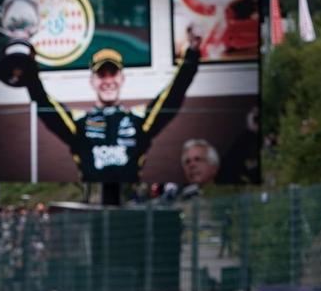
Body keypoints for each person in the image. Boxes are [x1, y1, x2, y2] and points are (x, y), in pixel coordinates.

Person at [24, 34, 201, 182]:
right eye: (101, 74)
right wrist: (29, 71)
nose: (108, 81)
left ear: (122, 78)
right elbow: (45, 105)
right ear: (92, 81)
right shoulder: (79, 123)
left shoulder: (139, 120)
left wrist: (191, 54)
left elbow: (172, 97)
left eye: (113, 73)